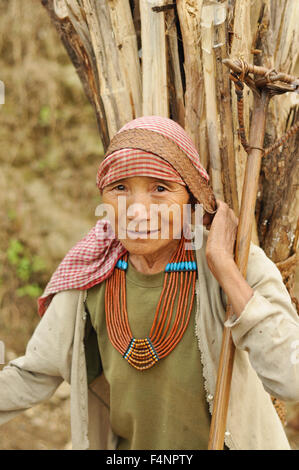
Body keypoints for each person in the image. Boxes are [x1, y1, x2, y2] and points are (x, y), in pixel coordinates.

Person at [0, 116, 298, 450]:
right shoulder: (91, 272)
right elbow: (33, 374)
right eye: (120, 188)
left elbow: (291, 377)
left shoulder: (235, 262)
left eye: (159, 188)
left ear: (191, 196)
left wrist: (226, 271)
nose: (137, 211)